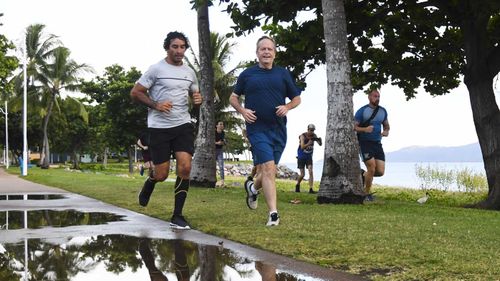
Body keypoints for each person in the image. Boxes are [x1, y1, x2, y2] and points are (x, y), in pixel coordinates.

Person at [130, 31, 202, 229]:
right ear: (167, 48)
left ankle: (177, 216)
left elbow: (195, 95)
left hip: (183, 125)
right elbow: (135, 93)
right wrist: (155, 104)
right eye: (175, 47)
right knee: (162, 174)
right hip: (159, 127)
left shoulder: (189, 72)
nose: (179, 51)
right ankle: (151, 181)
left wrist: (198, 100)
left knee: (185, 168)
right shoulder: (156, 69)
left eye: (182, 47)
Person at [229, 35, 301, 226]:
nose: (266, 52)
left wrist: (287, 107)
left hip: (278, 130)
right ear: (257, 53)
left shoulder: (282, 74)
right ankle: (273, 214)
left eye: (270, 49)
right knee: (268, 168)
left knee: (270, 170)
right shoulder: (247, 75)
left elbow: (296, 98)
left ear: (274, 53)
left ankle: (252, 188)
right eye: (263, 49)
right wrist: (242, 111)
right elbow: (233, 98)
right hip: (256, 128)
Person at [354, 89, 390, 201]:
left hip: (377, 144)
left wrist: (386, 131)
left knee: (380, 172)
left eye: (378, 96)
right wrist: (365, 129)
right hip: (364, 143)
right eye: (375, 96)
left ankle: (362, 175)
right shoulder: (362, 111)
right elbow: (354, 127)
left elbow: (387, 126)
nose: (377, 98)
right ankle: (365, 194)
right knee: (372, 168)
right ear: (369, 97)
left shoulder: (383, 111)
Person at [295, 124, 322, 194]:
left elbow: (320, 144)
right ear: (308, 129)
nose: (312, 132)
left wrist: (319, 140)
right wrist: (309, 143)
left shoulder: (314, 136)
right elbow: (302, 147)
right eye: (311, 130)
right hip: (301, 156)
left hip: (309, 157)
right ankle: (297, 184)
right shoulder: (302, 136)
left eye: (313, 130)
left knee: (310, 171)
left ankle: (310, 189)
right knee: (302, 174)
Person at [215, 121, 226, 186]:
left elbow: (223, 141)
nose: (222, 125)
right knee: (213, 167)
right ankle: (214, 180)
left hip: (220, 150)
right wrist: (217, 143)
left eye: (222, 124)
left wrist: (223, 143)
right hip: (213, 150)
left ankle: (222, 181)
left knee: (221, 166)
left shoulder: (223, 133)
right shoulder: (213, 132)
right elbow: (209, 141)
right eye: (220, 124)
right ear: (217, 125)